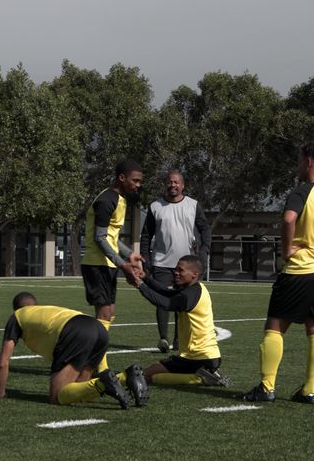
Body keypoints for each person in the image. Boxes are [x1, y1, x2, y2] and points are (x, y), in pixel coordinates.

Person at [238, 142, 314, 404]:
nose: (297, 166)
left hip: (301, 270)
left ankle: (266, 387)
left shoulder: (302, 191)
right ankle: (309, 390)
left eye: (299, 160)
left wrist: (286, 250)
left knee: (274, 327)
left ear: (308, 162)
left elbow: (288, 219)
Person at [0, 291, 149, 409]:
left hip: (75, 332)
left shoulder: (17, 317)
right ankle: (125, 377)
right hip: (98, 329)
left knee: (56, 397)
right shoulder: (44, 310)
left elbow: (3, 363)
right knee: (80, 390)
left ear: (15, 309)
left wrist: (0, 392)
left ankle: (102, 384)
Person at [80, 159, 145, 371]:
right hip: (96, 264)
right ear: (122, 178)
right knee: (105, 314)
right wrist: (123, 264)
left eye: (139, 181)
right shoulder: (107, 200)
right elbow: (100, 238)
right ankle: (99, 365)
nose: (138, 185)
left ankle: (95, 361)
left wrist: (130, 255)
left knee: (109, 313)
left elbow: (112, 237)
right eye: (135, 181)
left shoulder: (120, 199)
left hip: (106, 264)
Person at [129, 255, 230, 387]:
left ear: (194, 274)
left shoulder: (189, 295)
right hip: (201, 357)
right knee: (150, 372)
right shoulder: (194, 289)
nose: (175, 272)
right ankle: (206, 375)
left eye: (180, 270)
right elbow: (166, 292)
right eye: (176, 269)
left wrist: (140, 285)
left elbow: (165, 303)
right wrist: (145, 278)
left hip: (199, 358)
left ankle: (204, 378)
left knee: (147, 375)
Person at [139, 170, 212, 352]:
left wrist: (204, 252)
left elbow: (205, 230)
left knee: (182, 303)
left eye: (176, 182)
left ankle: (179, 339)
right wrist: (145, 257)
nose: (173, 185)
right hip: (161, 262)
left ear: (183, 185)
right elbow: (146, 235)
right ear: (166, 184)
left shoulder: (193, 205)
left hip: (185, 265)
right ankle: (163, 339)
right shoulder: (155, 206)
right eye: (170, 182)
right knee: (161, 299)